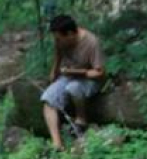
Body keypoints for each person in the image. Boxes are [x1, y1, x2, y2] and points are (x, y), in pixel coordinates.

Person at [41, 15, 106, 150]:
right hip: (68, 75)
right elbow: (58, 56)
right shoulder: (60, 40)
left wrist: (79, 72)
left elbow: (100, 72)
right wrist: (54, 73)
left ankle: (81, 120)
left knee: (73, 88)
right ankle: (57, 144)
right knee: (48, 99)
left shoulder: (91, 42)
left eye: (59, 39)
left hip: (89, 79)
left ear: (70, 34)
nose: (57, 42)